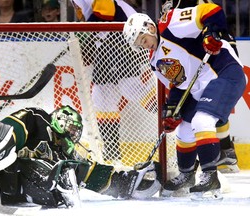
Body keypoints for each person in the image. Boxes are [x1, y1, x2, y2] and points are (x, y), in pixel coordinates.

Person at [123, 3, 246, 200]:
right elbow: (179, 85)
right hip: (199, 87)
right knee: (184, 130)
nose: (144, 46)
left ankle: (210, 176)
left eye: (143, 40)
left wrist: (211, 34)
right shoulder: (155, 60)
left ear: (151, 28)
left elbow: (211, 10)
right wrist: (173, 109)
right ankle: (187, 174)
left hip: (224, 71)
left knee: (201, 121)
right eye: (140, 45)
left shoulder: (169, 23)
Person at [0, 105, 162, 207]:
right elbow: (10, 130)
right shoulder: (39, 119)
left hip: (14, 192)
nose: (74, 134)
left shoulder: (64, 153)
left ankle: (123, 181)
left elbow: (87, 169)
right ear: (61, 120)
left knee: (70, 168)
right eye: (73, 128)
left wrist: (120, 182)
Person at [70, 0, 156, 161]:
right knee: (102, 97)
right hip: (107, 40)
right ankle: (111, 153)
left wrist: (87, 36)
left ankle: (171, 114)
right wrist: (90, 40)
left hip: (123, 34)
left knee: (130, 87)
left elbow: (107, 12)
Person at [160, 1, 240, 173]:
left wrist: (213, 34)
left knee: (209, 110)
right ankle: (222, 152)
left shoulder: (185, 11)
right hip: (198, 63)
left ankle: (224, 150)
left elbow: (213, 17)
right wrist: (174, 105)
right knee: (194, 117)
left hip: (216, 52)